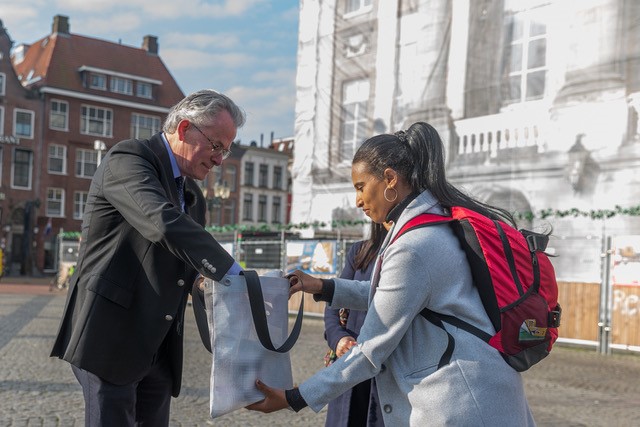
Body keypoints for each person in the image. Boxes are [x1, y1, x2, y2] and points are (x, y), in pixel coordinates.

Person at [247, 122, 536, 425]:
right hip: (477, 396)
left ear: (389, 179)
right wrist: (320, 285)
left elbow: (371, 350)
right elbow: (392, 297)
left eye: (360, 187)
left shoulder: (414, 245)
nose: (357, 200)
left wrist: (295, 397)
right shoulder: (432, 225)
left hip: (462, 406)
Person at [50, 89, 246, 426]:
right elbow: (162, 223)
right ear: (184, 129)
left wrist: (211, 288)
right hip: (110, 339)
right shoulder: (128, 159)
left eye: (225, 151)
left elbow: (184, 267)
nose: (219, 160)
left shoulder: (193, 195)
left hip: (158, 348)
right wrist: (235, 274)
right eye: (216, 146)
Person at [324, 222, 387, 427]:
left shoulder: (414, 250)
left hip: (387, 373)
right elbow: (335, 302)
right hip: (350, 363)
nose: (359, 201)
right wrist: (338, 338)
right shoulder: (361, 251)